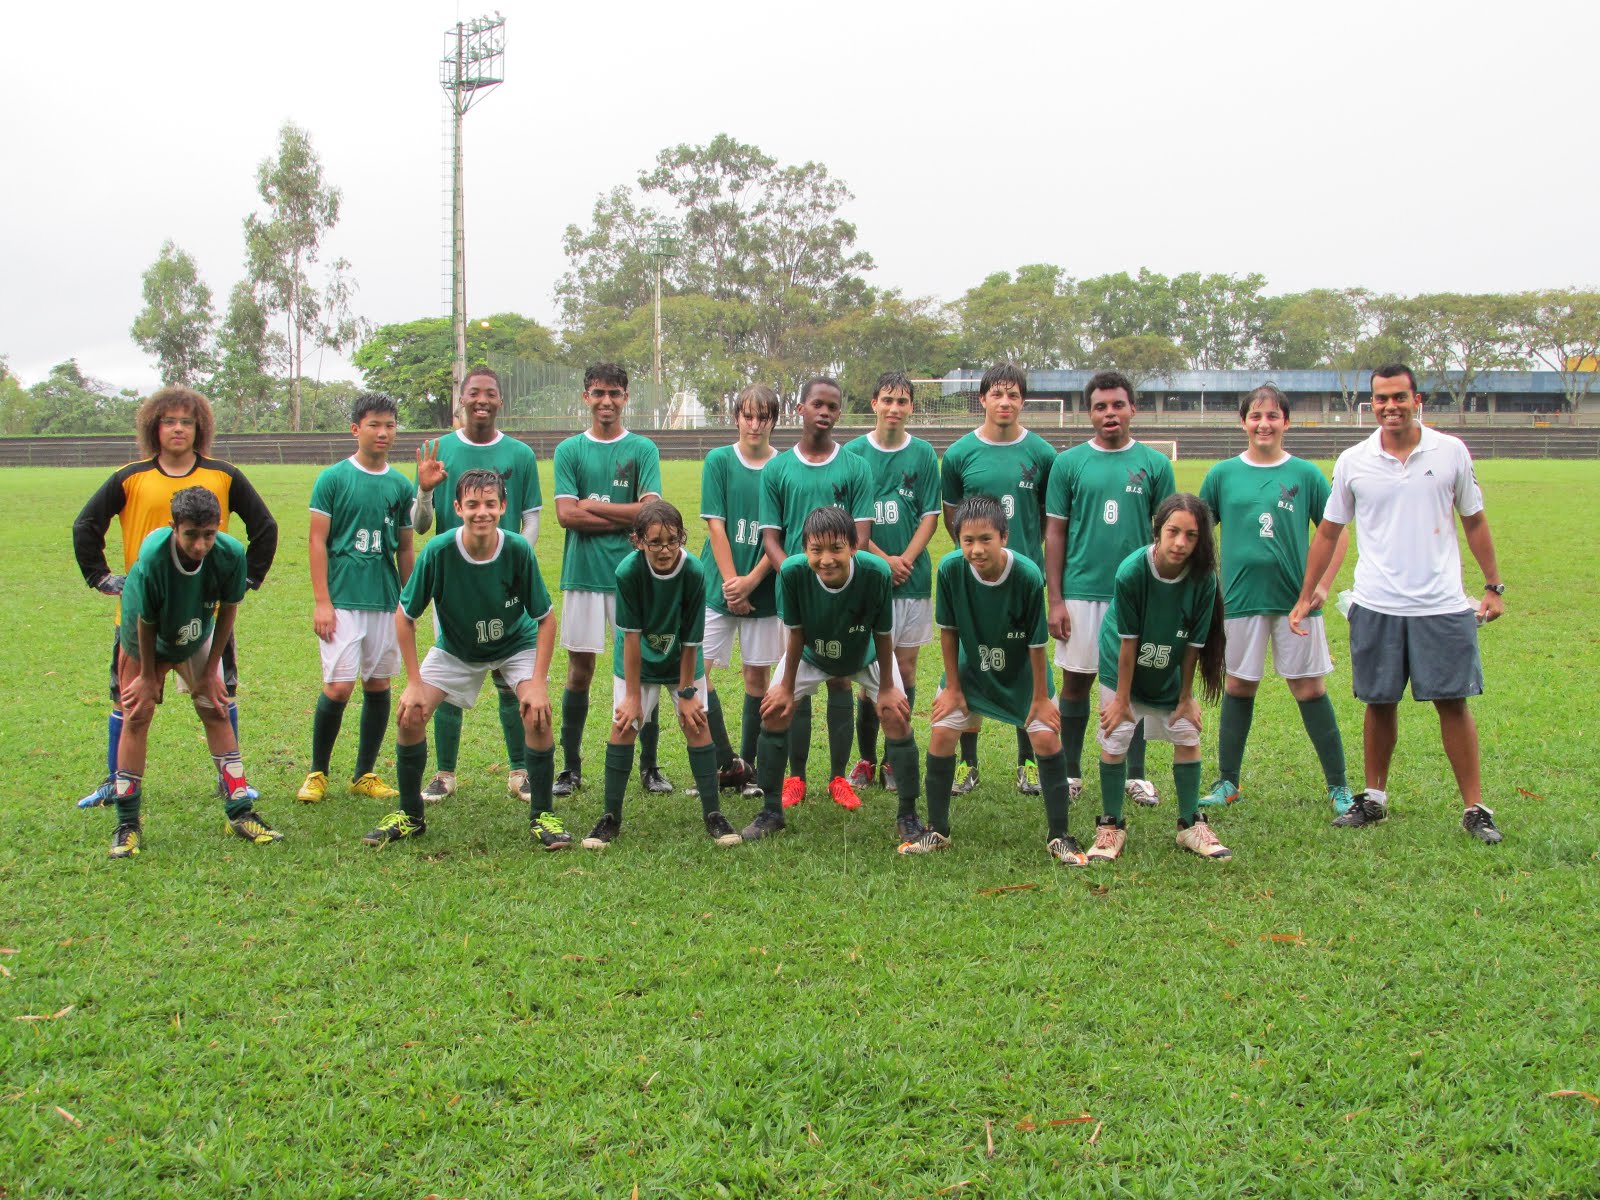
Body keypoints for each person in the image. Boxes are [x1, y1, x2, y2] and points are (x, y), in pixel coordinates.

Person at [1289, 363, 1506, 843]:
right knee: (1378, 701)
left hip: (1442, 603)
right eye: (1380, 399)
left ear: (1417, 399)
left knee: (1453, 703)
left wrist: (1493, 585)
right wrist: (1306, 595)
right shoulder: (1353, 460)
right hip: (1377, 603)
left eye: (1399, 397)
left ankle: (1475, 807)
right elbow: (1329, 531)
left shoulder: (1450, 452)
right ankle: (1374, 799)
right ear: (1371, 404)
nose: (1390, 406)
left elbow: (1473, 519)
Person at [73, 386, 278, 809]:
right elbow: (86, 524)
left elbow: (265, 527)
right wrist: (101, 577)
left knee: (219, 693)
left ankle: (231, 784)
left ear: (200, 427)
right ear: (154, 426)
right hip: (142, 612)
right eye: (170, 421)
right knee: (128, 698)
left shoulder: (223, 474)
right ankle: (117, 782)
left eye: (187, 421)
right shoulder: (131, 476)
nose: (179, 428)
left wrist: (246, 581)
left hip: (204, 612)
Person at [366, 468, 568, 849]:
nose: (482, 512)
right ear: (458, 507)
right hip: (457, 648)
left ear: (503, 507)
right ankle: (411, 815)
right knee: (410, 714)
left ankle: (543, 815)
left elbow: (546, 620)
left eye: (490, 504)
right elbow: (404, 616)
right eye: (472, 504)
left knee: (536, 713)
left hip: (514, 642)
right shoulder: (439, 551)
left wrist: (538, 684)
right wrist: (412, 682)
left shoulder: (517, 549)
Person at [102, 487, 281, 859]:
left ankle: (239, 812)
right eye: (191, 535)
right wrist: (149, 677)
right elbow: (146, 622)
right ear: (174, 527)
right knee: (137, 714)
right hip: (143, 637)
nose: (200, 545)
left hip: (196, 629)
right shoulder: (153, 557)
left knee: (216, 707)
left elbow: (230, 609)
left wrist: (210, 669)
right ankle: (127, 823)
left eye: (208, 534)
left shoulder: (231, 554)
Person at [1196, 384, 1351, 812]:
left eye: (1272, 416)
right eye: (1255, 416)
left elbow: (1334, 532)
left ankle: (1338, 786)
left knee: (1309, 688)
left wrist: (1320, 586)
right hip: (1239, 600)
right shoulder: (1222, 475)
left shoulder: (1305, 475)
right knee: (1239, 686)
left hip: (1295, 604)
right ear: (1243, 422)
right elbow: (1198, 533)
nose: (1263, 424)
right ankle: (1228, 782)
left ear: (1286, 421)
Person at [902, 496, 1082, 863]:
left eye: (986, 539)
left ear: (1004, 536)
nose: (977, 549)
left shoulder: (1028, 575)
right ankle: (937, 830)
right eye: (968, 541)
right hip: (970, 672)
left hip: (1023, 674)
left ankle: (1059, 835)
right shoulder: (951, 569)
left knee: (1046, 740)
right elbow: (949, 632)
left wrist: (1040, 699)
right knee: (941, 732)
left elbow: (1036, 644)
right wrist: (953, 687)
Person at [742, 507, 923, 843]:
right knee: (775, 711)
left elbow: (883, 635)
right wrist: (785, 687)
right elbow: (796, 634)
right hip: (811, 653)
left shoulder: (876, 573)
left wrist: (885, 688)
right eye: (816, 550)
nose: (826, 559)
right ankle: (770, 811)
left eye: (836, 548)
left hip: (865, 654)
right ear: (805, 549)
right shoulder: (794, 573)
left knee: (895, 715)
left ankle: (909, 815)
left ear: (854, 546)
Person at [411, 366, 544, 805]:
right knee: (448, 676)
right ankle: (444, 774)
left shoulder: (520, 454)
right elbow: (421, 525)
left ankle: (520, 771)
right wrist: (426, 492)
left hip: (505, 584)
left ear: (500, 401)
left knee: (512, 680)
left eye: (490, 393)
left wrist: (510, 564)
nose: (481, 400)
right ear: (461, 399)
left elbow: (532, 518)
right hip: (452, 587)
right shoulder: (440, 450)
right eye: (474, 393)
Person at [1044, 369, 1176, 809]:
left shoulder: (1156, 464)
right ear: (1089, 413)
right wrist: (1056, 598)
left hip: (1136, 594)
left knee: (1132, 687)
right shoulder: (1068, 464)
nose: (1110, 413)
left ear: (1132, 409)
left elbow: (1167, 535)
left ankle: (1135, 774)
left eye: (1118, 404)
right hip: (1081, 591)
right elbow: (1056, 533)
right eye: (1100, 406)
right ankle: (1071, 770)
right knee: (1077, 683)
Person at [582, 501, 744, 849]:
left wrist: (687, 693)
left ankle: (713, 813)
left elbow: (691, 638)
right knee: (624, 724)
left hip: (681, 659)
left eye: (673, 540)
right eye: (655, 542)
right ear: (638, 540)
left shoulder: (694, 570)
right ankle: (610, 816)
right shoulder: (628, 572)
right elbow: (631, 637)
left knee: (696, 723)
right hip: (637, 661)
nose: (665, 549)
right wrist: (632, 697)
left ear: (682, 537)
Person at [1089, 493, 1230, 863]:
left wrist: (1186, 697)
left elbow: (1195, 645)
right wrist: (1121, 699)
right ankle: (1110, 825)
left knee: (1187, 732)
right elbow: (1127, 643)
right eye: (1173, 532)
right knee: (1116, 735)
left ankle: (1190, 825)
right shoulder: (1132, 571)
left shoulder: (1203, 579)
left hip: (1169, 659)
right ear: (1158, 530)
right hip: (1122, 660)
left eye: (1191, 535)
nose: (1181, 543)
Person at [939, 363, 1057, 797]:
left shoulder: (1043, 454)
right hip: (974, 584)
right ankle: (967, 766)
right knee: (973, 663)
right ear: (983, 399)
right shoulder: (958, 455)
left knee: (1024, 666)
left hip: (1024, 582)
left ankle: (1027, 763)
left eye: (1013, 395)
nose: (1005, 402)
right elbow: (955, 520)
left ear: (1023, 400)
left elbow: (1049, 518)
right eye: (996, 394)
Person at [757, 376, 874, 809]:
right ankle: (796, 777)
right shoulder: (778, 469)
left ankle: (838, 778)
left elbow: (860, 535)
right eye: (817, 404)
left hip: (843, 588)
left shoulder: (857, 468)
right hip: (795, 588)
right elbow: (770, 536)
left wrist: (834, 578)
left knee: (841, 676)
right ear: (801, 409)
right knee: (796, 678)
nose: (825, 412)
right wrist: (795, 574)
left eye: (833, 406)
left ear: (839, 413)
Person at [552, 363, 666, 799]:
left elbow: (652, 514)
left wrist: (592, 508)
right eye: (598, 392)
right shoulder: (569, 451)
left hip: (635, 577)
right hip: (581, 576)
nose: (606, 401)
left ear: (626, 397)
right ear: (585, 396)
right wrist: (628, 517)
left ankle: (650, 767)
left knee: (647, 672)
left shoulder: (642, 448)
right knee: (579, 672)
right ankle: (571, 767)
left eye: (615, 393)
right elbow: (566, 516)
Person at [297, 393, 417, 804]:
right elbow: (317, 541)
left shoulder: (400, 485)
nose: (383, 433)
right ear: (356, 429)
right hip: (343, 599)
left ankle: (364, 773)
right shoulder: (332, 479)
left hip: (385, 600)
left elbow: (404, 547)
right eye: (374, 425)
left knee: (378, 683)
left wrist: (410, 599)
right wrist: (321, 601)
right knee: (338, 687)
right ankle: (317, 772)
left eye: (389, 425)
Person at [845, 371, 940, 795]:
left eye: (902, 401)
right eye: (887, 400)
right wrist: (883, 561)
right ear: (874, 403)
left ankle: (890, 760)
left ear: (911, 408)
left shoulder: (922, 454)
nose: (894, 408)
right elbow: (849, 522)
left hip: (913, 578)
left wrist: (907, 559)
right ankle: (865, 759)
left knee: (904, 669)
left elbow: (930, 514)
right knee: (870, 672)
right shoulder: (852, 453)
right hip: (868, 578)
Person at [693, 383, 781, 804]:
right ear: (736, 418)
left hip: (764, 590)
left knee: (757, 677)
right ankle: (727, 761)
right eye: (747, 414)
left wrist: (752, 582)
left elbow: (780, 536)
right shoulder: (719, 461)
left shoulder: (783, 468)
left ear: (774, 421)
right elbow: (715, 526)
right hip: (718, 587)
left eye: (763, 416)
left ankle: (751, 766)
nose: (754, 423)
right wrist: (732, 584)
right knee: (697, 672)